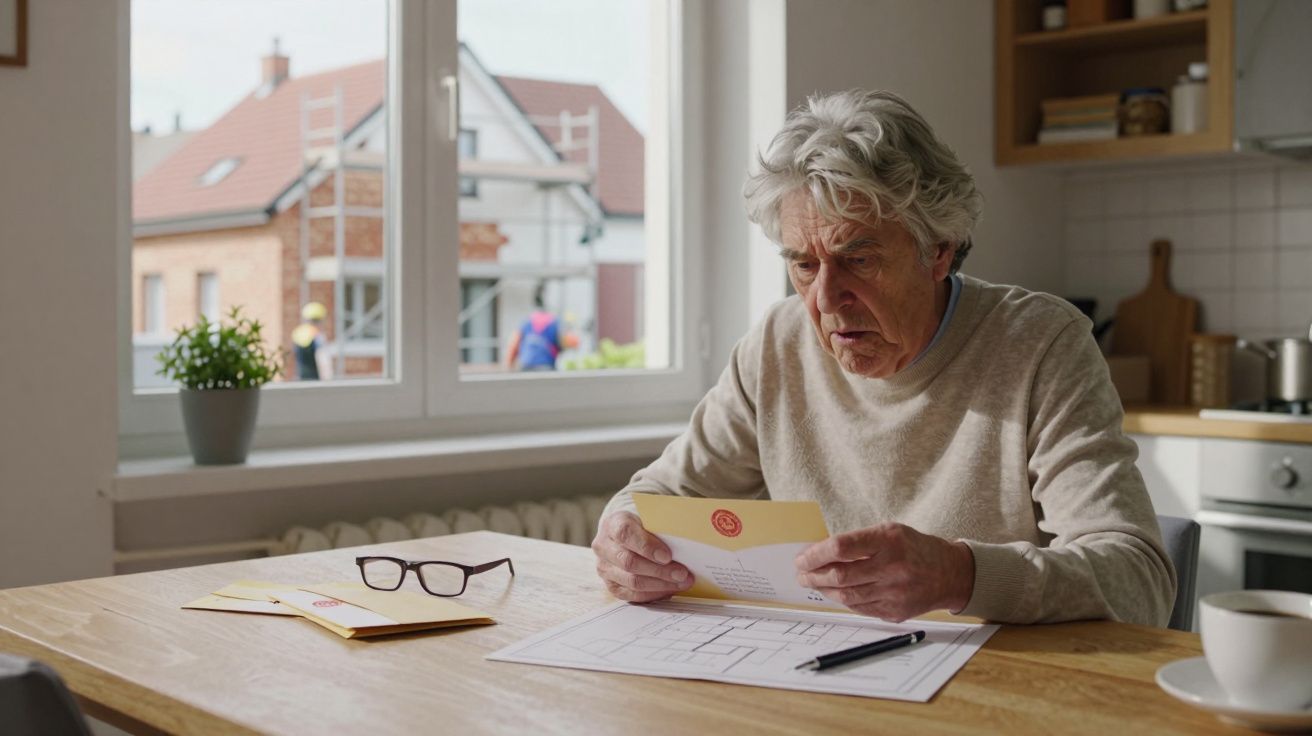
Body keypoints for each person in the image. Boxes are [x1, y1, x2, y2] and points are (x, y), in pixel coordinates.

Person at [591, 90, 1175, 627]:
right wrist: (623, 541)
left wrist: (959, 575)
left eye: (859, 260)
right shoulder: (777, 344)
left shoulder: (1042, 344)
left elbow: (1139, 582)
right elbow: (654, 500)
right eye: (802, 264)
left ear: (939, 250)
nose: (824, 300)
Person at [505, 284, 579, 371]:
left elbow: (513, 346)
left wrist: (509, 367)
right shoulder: (554, 322)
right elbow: (571, 342)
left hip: (526, 366)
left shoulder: (527, 322)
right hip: (546, 367)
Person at [291, 301, 328, 381]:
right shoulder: (317, 335)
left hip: (300, 377)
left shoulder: (298, 333)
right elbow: (323, 360)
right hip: (314, 378)